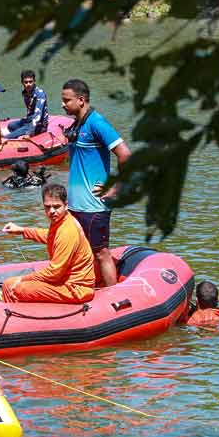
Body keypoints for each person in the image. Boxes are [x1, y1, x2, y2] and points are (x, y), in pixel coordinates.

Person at [61, 79, 132, 287]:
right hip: (75, 205)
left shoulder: (97, 123)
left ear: (81, 100)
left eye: (67, 100)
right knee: (79, 251)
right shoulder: (77, 123)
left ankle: (113, 296)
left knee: (101, 252)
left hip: (94, 206)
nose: (63, 104)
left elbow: (125, 155)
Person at [2, 183, 95, 304]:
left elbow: (54, 273)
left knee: (12, 287)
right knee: (9, 283)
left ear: (66, 205)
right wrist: (22, 231)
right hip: (64, 282)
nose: (51, 211)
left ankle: (13, 314)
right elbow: (50, 236)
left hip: (75, 289)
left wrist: (22, 279)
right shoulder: (62, 220)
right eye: (47, 207)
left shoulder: (67, 231)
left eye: (56, 206)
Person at [6, 70, 49, 139]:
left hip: (39, 125)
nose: (28, 84)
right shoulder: (25, 93)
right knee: (11, 126)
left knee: (8, 137)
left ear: (34, 81)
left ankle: (25, 132)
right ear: (22, 82)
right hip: (29, 121)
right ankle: (22, 131)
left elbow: (37, 116)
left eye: (30, 82)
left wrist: (29, 133)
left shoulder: (40, 94)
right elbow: (29, 110)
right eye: (26, 82)